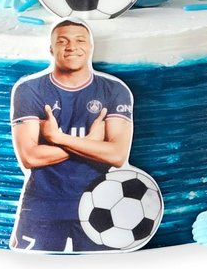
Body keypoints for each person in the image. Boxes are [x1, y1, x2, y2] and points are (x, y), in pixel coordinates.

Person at [10, 18, 134, 252]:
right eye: (62, 41)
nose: (71, 47)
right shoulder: (30, 90)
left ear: (90, 47)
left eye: (80, 41)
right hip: (42, 205)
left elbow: (117, 154)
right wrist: (90, 143)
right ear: (51, 48)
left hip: (100, 207)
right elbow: (30, 156)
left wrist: (59, 138)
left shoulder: (114, 90)